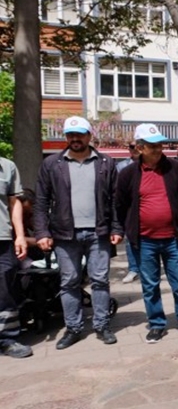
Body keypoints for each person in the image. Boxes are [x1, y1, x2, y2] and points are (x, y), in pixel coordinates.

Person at [33, 116, 123, 350]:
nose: (75, 139)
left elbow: (115, 200)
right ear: (66, 137)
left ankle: (102, 325)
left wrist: (116, 227)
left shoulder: (105, 163)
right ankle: (73, 328)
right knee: (69, 281)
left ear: (89, 136)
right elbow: (41, 201)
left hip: (99, 232)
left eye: (80, 134)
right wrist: (42, 232)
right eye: (70, 135)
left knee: (100, 280)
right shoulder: (53, 164)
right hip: (64, 234)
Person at [116, 123, 178, 343]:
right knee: (150, 285)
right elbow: (121, 205)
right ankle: (156, 324)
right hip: (144, 241)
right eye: (152, 146)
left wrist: (171, 216)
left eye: (160, 144)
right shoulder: (127, 174)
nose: (158, 149)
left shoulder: (176, 169)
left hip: (173, 238)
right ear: (140, 148)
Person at [0, 156, 31, 358]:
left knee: (4, 289)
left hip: (2, 239)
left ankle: (7, 339)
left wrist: (20, 235)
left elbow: (15, 202)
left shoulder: (7, 166)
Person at [117, 142, 140, 284]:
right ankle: (133, 268)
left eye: (138, 146)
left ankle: (145, 267)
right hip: (128, 209)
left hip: (146, 208)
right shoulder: (121, 167)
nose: (135, 149)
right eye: (132, 147)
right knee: (129, 239)